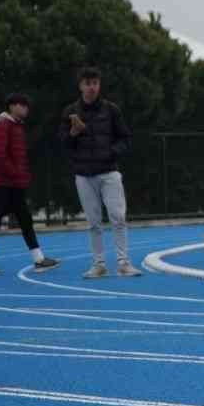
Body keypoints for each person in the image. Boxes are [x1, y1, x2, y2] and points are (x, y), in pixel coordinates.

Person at [59, 67, 138, 278]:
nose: (91, 87)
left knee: (118, 217)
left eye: (95, 83)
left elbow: (126, 138)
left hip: (109, 172)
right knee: (94, 222)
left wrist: (111, 153)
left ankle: (123, 263)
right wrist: (73, 133)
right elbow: (63, 144)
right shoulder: (69, 112)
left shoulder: (111, 110)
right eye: (87, 83)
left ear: (99, 85)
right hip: (83, 174)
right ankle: (98, 264)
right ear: (81, 86)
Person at [0, 93, 60, 275]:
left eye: (26, 105)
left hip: (15, 184)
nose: (26, 108)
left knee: (25, 220)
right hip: (3, 183)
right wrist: (16, 173)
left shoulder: (17, 127)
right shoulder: (3, 126)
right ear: (12, 106)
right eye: (22, 105)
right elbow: (0, 156)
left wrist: (20, 176)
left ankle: (39, 259)